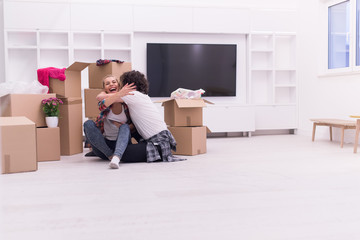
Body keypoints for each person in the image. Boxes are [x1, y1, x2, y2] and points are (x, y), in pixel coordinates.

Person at [95, 70, 185, 167]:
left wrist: (107, 92)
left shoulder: (132, 95)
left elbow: (100, 97)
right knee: (125, 140)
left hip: (158, 143)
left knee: (122, 152)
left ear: (129, 85)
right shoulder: (141, 96)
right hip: (160, 139)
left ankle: (110, 155)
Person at [83, 74, 140, 169]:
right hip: (104, 147)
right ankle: (110, 156)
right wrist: (119, 93)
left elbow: (135, 124)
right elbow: (100, 99)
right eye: (107, 83)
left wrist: (122, 126)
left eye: (114, 82)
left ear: (119, 85)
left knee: (125, 126)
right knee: (88, 123)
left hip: (123, 145)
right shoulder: (104, 101)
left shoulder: (127, 103)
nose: (111, 84)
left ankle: (116, 157)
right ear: (104, 89)